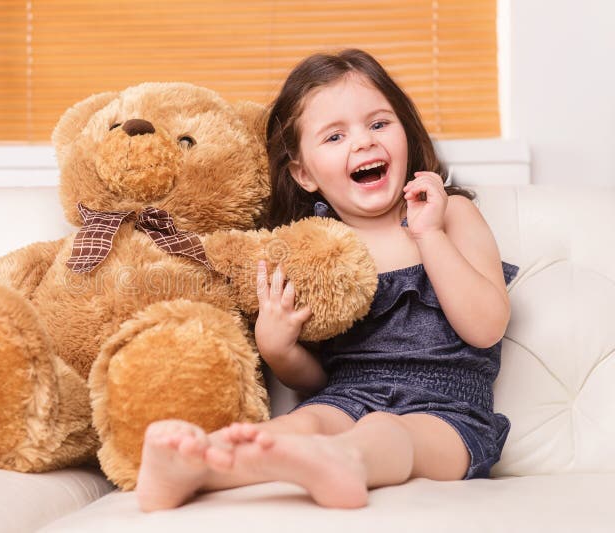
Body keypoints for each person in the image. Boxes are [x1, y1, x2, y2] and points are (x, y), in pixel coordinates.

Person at [134, 48, 519, 511]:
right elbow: (317, 379)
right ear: (303, 172)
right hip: (347, 395)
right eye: (335, 136)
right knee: (306, 423)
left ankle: (343, 461)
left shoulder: (451, 214)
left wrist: (430, 235)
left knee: (386, 432)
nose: (362, 143)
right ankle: (195, 468)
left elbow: (486, 327)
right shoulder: (318, 246)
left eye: (379, 124)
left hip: (448, 412)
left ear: (406, 132)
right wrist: (280, 350)